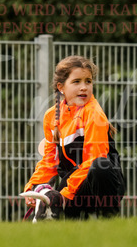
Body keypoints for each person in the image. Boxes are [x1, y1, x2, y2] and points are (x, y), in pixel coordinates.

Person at [22, 55, 125, 220]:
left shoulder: (94, 113)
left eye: (88, 81)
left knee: (100, 166)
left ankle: (109, 220)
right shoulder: (50, 116)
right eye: (76, 82)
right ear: (61, 87)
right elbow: (49, 161)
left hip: (100, 184)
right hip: (72, 185)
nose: (84, 87)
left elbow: (94, 159)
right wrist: (32, 188)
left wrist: (63, 195)